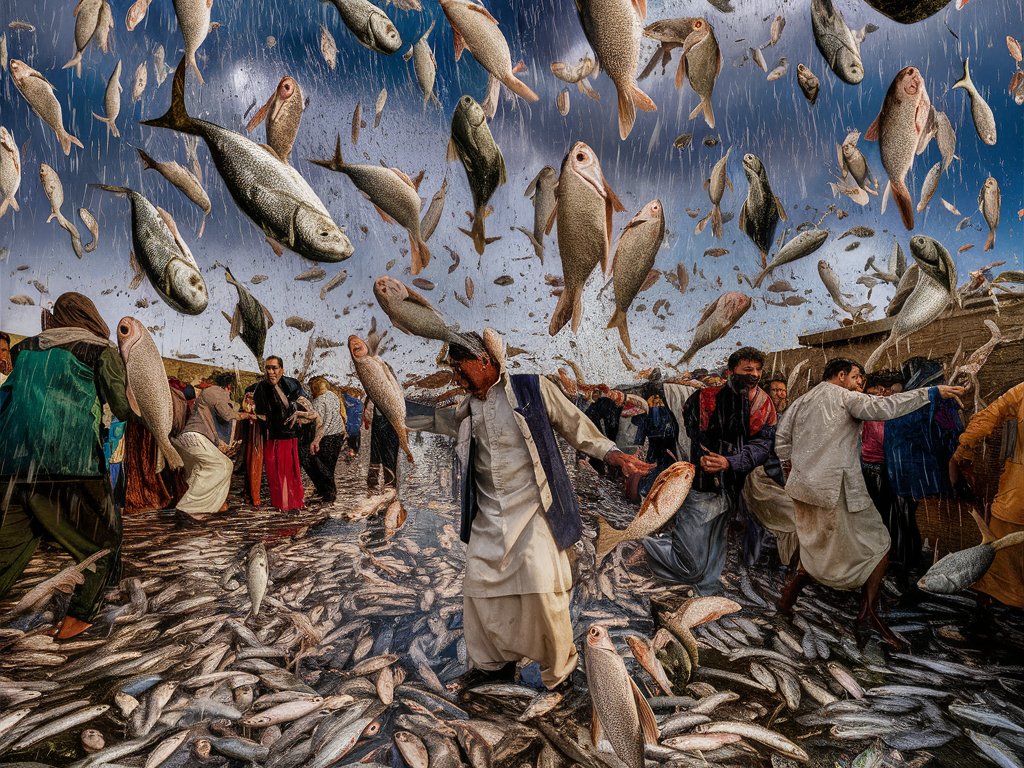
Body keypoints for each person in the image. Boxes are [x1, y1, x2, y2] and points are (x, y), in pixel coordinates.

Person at [408, 329, 652, 692]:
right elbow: (443, 424)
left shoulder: (531, 388)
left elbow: (575, 425)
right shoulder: (469, 405)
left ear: (485, 361)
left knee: (542, 590)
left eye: (461, 370)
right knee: (479, 591)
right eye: (454, 373)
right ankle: (491, 666)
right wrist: (397, 408)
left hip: (535, 509)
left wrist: (614, 455)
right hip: (489, 514)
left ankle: (558, 673)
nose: (457, 379)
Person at [775, 358, 965, 649]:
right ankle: (868, 614)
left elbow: (782, 441)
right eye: (856, 377)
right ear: (841, 376)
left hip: (804, 489)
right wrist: (930, 393)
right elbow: (884, 408)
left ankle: (785, 603)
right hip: (835, 490)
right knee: (880, 544)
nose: (860, 383)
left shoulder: (801, 401)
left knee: (814, 546)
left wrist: (793, 473)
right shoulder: (845, 397)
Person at [0, 293, 133, 639]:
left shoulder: (26, 348)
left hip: (11, 463)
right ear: (91, 315)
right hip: (72, 462)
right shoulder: (98, 350)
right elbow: (122, 408)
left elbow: (6, 399)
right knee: (103, 542)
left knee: (5, 549)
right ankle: (78, 620)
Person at [643, 347, 776, 594]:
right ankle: (647, 545)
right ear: (730, 372)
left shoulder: (763, 404)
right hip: (702, 486)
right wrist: (704, 453)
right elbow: (692, 428)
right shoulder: (705, 398)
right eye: (748, 369)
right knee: (690, 560)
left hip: (733, 487)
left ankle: (706, 593)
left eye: (758, 370)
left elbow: (763, 444)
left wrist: (731, 462)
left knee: (716, 546)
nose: (755, 375)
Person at [950, 381, 1024, 609]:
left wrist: (962, 454)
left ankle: (987, 614)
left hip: (1016, 501)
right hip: (1015, 500)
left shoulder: (1021, 392)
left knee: (999, 567)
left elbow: (986, 418)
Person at [173, 372, 252, 523]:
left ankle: (208, 508)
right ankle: (188, 508)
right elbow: (227, 414)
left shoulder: (208, 393)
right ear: (229, 386)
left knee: (201, 471)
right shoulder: (216, 391)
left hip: (191, 438)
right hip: (195, 437)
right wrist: (246, 415)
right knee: (222, 465)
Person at [253, 356, 306, 512]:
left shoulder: (292, 384)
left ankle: (293, 504)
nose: (271, 372)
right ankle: (280, 503)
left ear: (281, 369)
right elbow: (260, 412)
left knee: (289, 473)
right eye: (268, 368)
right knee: (274, 473)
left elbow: (302, 405)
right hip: (271, 436)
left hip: (289, 436)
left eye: (274, 368)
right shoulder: (260, 388)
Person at [306, 376, 345, 503]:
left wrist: (316, 440)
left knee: (322, 466)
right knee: (330, 466)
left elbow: (320, 424)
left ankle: (329, 493)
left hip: (327, 436)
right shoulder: (333, 395)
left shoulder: (318, 402)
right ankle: (325, 491)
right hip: (338, 434)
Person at [365, 398, 400, 488]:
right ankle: (384, 481)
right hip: (385, 421)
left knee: (385, 452)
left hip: (391, 421)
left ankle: (384, 481)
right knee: (383, 452)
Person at [343, 389, 363, 458]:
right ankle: (353, 451)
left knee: (350, 441)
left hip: (346, 427)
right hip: (355, 428)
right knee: (355, 441)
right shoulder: (358, 403)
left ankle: (350, 449)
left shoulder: (344, 402)